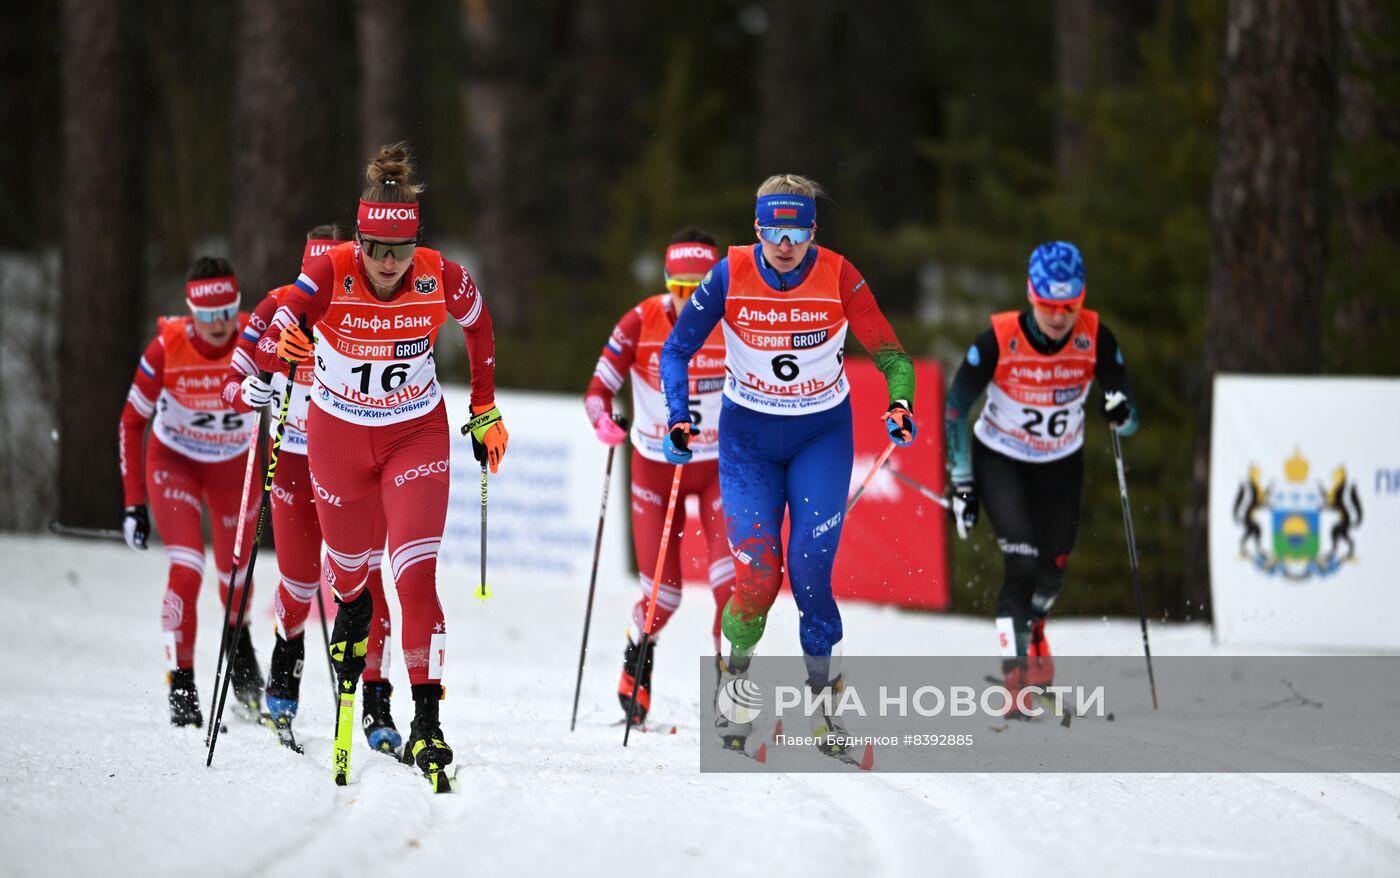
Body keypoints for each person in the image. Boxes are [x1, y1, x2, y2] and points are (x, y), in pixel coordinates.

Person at [251, 143, 508, 782]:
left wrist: (484, 409)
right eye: (375, 249)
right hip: (336, 440)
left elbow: (479, 327)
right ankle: (351, 639)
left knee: (415, 576)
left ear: (415, 242)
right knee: (349, 586)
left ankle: (427, 723)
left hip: (413, 435)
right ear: (359, 241)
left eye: (399, 250)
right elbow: (287, 312)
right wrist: (276, 349)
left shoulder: (439, 274)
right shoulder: (333, 268)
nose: (387, 264)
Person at [659, 174, 916, 756]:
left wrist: (901, 404)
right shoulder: (729, 274)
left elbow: (893, 356)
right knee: (756, 579)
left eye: (796, 228)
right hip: (748, 439)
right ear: (757, 228)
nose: (785, 241)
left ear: (813, 230)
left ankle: (827, 712)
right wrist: (679, 415)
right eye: (773, 228)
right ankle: (734, 686)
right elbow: (677, 348)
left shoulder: (840, 275)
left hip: (820, 435)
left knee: (810, 577)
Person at [942, 241, 1138, 714]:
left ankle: (1036, 625)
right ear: (1031, 295)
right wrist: (963, 480)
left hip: (1060, 465)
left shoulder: (1096, 336)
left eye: (1068, 306)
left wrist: (1120, 409)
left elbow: (1129, 420)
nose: (1057, 316)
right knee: (1022, 563)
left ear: (1081, 299)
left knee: (1052, 572)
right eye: (1048, 305)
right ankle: (1015, 675)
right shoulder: (999, 337)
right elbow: (955, 408)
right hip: (1002, 459)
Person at [222, 225, 397, 753]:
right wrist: (246, 390)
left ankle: (376, 703)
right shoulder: (275, 306)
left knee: (365, 580)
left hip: (354, 461)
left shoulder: (367, 308)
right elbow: (235, 375)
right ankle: (284, 675)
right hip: (294, 460)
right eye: (312, 281)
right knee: (298, 584)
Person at [584, 229, 733, 725]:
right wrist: (604, 423)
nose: (689, 302)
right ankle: (636, 660)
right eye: (679, 289)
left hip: (717, 469)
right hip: (656, 467)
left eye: (700, 290)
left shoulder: (734, 319)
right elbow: (597, 391)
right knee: (663, 596)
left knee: (733, 586)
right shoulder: (640, 320)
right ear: (667, 283)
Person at [118, 257, 262, 727]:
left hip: (235, 467)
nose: (220, 324)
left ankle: (240, 650)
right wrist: (134, 503)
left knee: (234, 576)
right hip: (175, 462)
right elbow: (132, 421)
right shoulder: (166, 346)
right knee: (187, 567)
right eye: (208, 314)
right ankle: (182, 687)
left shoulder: (256, 337)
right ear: (190, 311)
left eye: (228, 310)